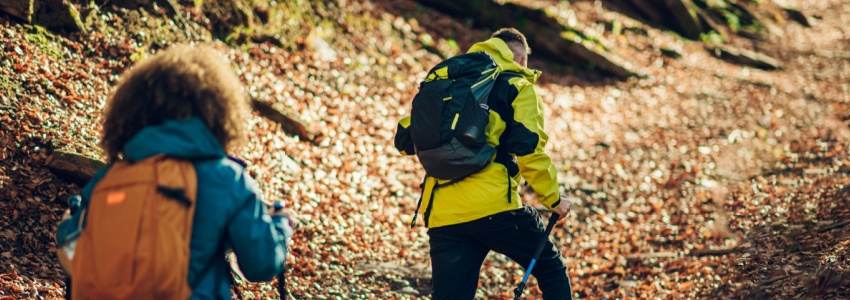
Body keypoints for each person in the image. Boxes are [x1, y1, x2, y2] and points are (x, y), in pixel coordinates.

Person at [54, 44, 293, 299]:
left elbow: (72, 246)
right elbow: (261, 265)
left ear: (131, 113)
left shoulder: (109, 179)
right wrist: (280, 225)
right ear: (218, 112)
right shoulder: (228, 179)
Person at [394, 28, 573, 299]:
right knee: (551, 269)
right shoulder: (517, 86)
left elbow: (406, 139)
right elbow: (530, 152)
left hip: (443, 214)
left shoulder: (452, 84)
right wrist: (554, 199)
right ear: (522, 60)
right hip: (494, 210)